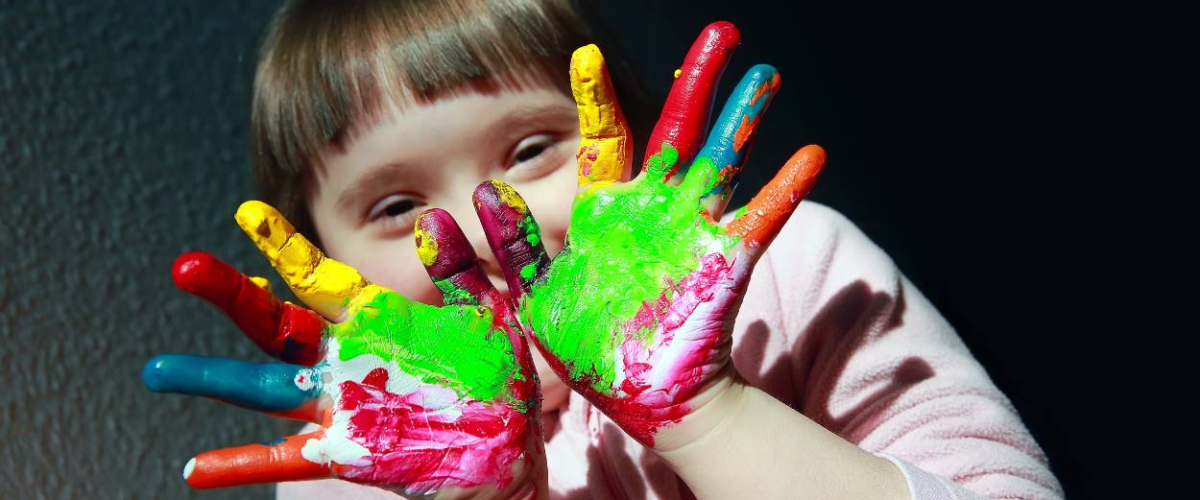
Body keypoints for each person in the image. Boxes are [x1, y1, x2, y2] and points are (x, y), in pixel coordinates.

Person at [143, 0, 1064, 499]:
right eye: (394, 205)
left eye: (532, 150)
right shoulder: (361, 464)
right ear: (315, 257)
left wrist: (708, 416)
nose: (480, 222)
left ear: (627, 133)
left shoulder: (786, 273)